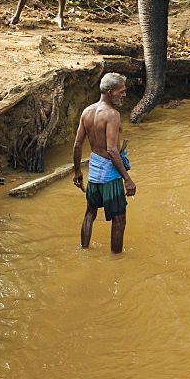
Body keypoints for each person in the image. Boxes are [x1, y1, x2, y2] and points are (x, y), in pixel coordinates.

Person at [73, 72, 136, 253]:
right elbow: (111, 150)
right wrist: (127, 179)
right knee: (119, 219)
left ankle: (84, 250)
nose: (124, 95)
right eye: (121, 92)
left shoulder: (87, 112)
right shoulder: (112, 115)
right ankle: (116, 258)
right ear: (109, 92)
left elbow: (77, 145)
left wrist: (77, 172)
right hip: (110, 175)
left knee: (90, 214)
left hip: (94, 173)